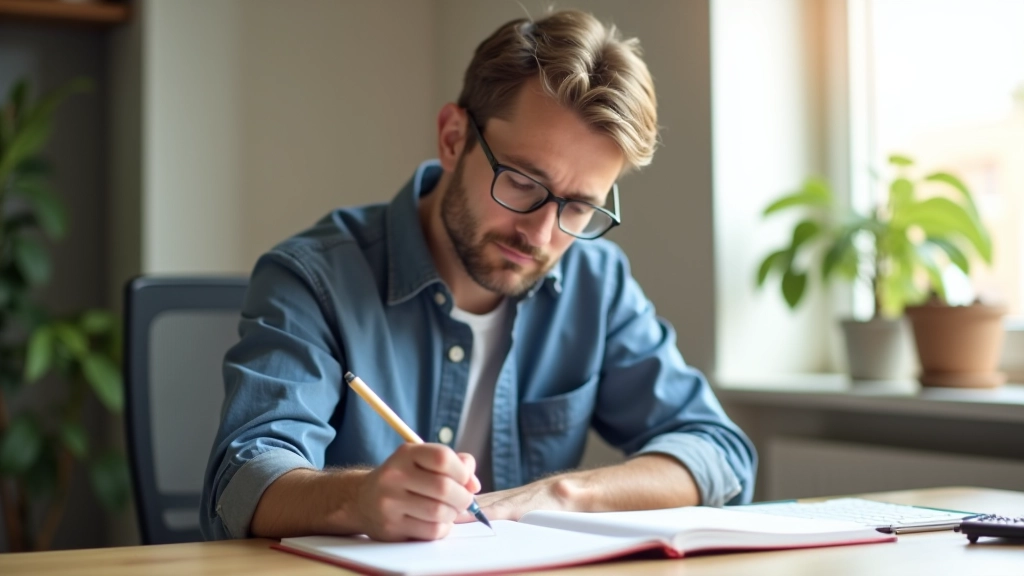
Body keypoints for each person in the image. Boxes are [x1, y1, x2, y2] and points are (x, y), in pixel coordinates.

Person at [201, 9, 755, 543]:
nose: (540, 234)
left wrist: (562, 495)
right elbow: (242, 484)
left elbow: (718, 451)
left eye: (579, 208)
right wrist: (362, 498)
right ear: (451, 137)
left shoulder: (596, 283)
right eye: (521, 182)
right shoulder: (314, 279)